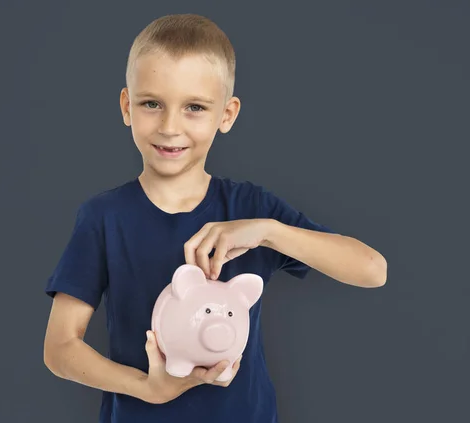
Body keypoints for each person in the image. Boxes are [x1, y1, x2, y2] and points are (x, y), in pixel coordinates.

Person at [42, 13, 387, 423]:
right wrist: (146, 388)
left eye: (194, 108)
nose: (170, 127)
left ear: (226, 114)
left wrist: (269, 232)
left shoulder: (252, 209)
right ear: (126, 106)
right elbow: (60, 348)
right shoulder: (104, 217)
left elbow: (372, 270)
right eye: (151, 103)